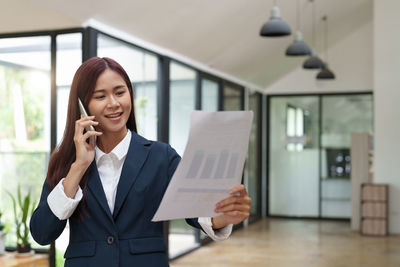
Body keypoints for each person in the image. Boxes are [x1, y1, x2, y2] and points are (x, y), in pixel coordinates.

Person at [30, 57, 252, 267]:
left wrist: (223, 216)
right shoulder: (67, 162)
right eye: (100, 96)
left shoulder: (161, 156)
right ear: (82, 105)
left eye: (120, 92)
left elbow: (197, 210)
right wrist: (78, 167)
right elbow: (42, 233)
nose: (114, 103)